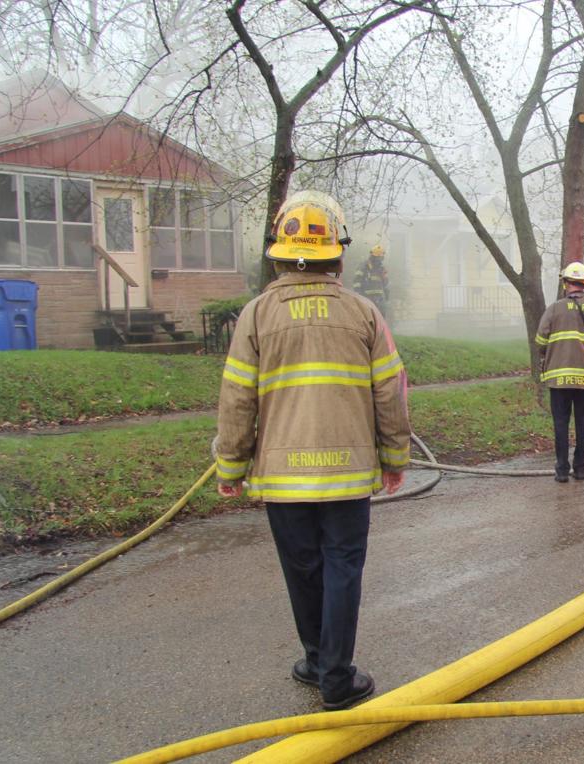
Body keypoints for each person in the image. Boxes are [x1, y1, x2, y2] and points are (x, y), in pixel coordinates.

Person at [213, 191, 411, 711]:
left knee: (302, 568)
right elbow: (391, 392)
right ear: (337, 256)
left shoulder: (256, 315)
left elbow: (237, 397)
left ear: (279, 255)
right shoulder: (364, 313)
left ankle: (317, 659)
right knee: (342, 567)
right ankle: (336, 678)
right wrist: (395, 459)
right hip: (347, 475)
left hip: (283, 478)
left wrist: (230, 466)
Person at [535, 262, 584, 482]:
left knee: (561, 424)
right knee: (583, 423)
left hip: (558, 378)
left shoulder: (554, 309)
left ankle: (562, 470)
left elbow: (540, 341)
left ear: (566, 283)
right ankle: (580, 468)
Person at [352, 244, 390, 318]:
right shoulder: (364, 266)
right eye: (378, 258)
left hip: (379, 300)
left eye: (381, 258)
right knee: (368, 319)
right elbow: (357, 281)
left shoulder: (382, 268)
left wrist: (387, 297)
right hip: (366, 298)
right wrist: (359, 295)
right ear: (373, 257)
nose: (379, 260)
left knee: (381, 319)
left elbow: (386, 284)